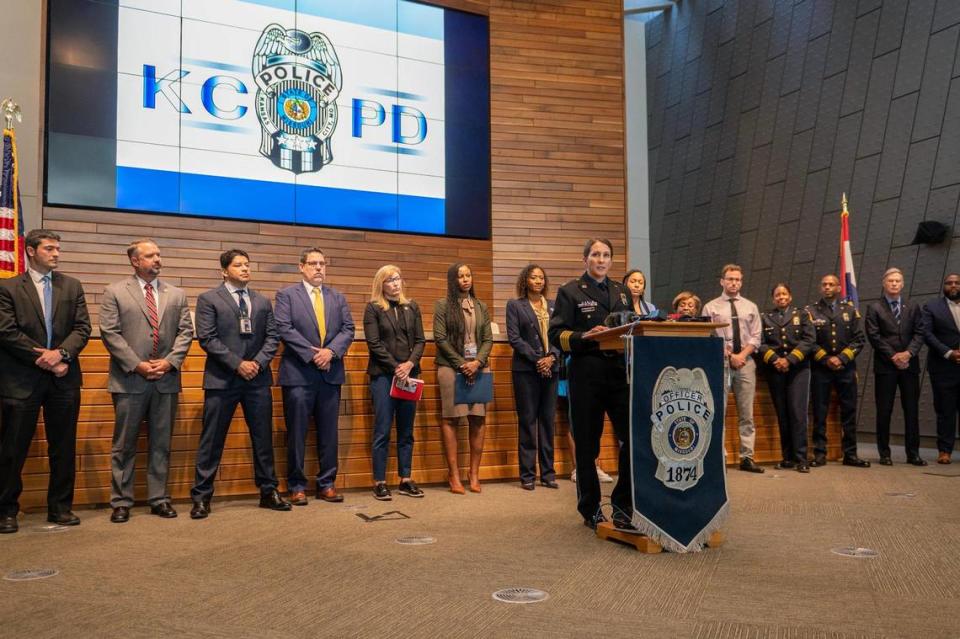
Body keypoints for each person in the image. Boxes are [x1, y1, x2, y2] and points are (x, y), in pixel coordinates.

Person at [0, 230, 91, 534]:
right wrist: (46, 359)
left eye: (58, 249)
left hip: (64, 379)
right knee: (13, 448)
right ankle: (7, 511)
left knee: (63, 447)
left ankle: (60, 508)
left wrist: (62, 355)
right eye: (49, 248)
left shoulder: (72, 286)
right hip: (21, 380)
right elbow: (7, 331)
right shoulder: (8, 287)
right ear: (30, 251)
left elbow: (82, 328)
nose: (56, 254)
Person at [189, 249, 291, 519]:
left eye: (247, 265)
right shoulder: (209, 299)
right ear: (224, 271)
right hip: (222, 380)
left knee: (263, 438)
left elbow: (273, 337)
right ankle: (201, 496)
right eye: (238, 265)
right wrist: (238, 364)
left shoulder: (261, 301)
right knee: (211, 441)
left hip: (257, 379)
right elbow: (207, 338)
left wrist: (256, 363)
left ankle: (269, 491)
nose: (245, 269)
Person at [100, 239, 194, 523]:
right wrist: (137, 365)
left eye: (159, 254)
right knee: (124, 445)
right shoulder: (115, 291)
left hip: (165, 380)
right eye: (150, 255)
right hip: (130, 379)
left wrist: (169, 362)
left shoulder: (176, 294)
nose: (157, 259)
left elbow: (185, 332)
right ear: (135, 261)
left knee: (161, 443)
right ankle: (121, 501)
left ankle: (159, 498)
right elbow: (110, 333)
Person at [548, 238, 634, 530]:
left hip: (620, 375)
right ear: (585, 259)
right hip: (586, 374)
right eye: (596, 254)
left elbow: (632, 326)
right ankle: (591, 508)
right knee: (587, 445)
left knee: (632, 439)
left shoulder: (622, 291)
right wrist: (584, 337)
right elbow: (556, 334)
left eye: (606, 255)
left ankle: (624, 505)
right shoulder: (569, 291)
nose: (601, 260)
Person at [275, 248, 355, 505]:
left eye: (322, 263)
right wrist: (313, 355)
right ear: (301, 267)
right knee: (297, 433)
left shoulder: (337, 297)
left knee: (329, 433)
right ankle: (296, 486)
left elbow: (348, 328)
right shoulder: (287, 295)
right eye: (313, 263)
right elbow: (283, 328)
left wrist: (330, 352)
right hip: (298, 374)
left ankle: (327, 483)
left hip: (330, 374)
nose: (318, 268)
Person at [363, 265, 426, 500]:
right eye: (390, 280)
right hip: (383, 376)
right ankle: (379, 481)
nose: (395, 283)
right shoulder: (373, 309)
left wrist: (409, 364)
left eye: (398, 279)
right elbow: (374, 344)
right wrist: (396, 367)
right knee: (382, 430)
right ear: (381, 284)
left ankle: (405, 479)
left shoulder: (412, 307)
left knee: (406, 430)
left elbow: (420, 340)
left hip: (409, 375)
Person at [434, 262, 493, 494]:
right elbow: (440, 338)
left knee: (477, 418)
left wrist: (477, 362)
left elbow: (487, 339)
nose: (466, 279)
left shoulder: (481, 306)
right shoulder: (442, 305)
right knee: (451, 419)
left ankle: (474, 474)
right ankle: (454, 475)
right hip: (450, 367)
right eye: (460, 276)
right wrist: (462, 364)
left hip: (478, 366)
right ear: (453, 280)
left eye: (469, 275)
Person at [703, 264, 764, 473]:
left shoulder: (751, 307)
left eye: (737, 279)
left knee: (747, 414)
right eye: (730, 279)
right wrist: (729, 356)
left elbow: (756, 337)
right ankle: (720, 457)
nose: (734, 283)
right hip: (721, 364)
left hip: (746, 364)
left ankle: (747, 457)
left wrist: (741, 356)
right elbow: (709, 336)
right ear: (722, 281)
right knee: (719, 411)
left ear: (741, 281)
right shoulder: (711, 307)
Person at [506, 264, 560, 490]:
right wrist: (539, 359)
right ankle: (528, 475)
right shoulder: (515, 305)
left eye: (541, 278)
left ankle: (548, 474)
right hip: (526, 371)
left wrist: (552, 357)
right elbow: (514, 338)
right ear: (525, 281)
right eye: (533, 277)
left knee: (548, 422)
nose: (538, 281)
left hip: (552, 369)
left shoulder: (554, 306)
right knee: (528, 422)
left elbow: (560, 335)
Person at [864, 268, 926, 466]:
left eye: (898, 281)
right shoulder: (874, 308)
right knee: (884, 410)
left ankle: (913, 454)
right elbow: (874, 336)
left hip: (909, 365)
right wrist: (893, 356)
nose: (894, 284)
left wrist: (908, 353)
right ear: (884, 283)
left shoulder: (914, 306)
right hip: (886, 366)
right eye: (890, 280)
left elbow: (920, 332)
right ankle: (885, 453)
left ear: (902, 284)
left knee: (911, 410)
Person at [807, 274, 869, 467]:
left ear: (839, 288)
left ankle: (850, 454)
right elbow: (809, 341)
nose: (827, 287)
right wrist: (827, 359)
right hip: (821, 369)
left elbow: (859, 340)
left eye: (831, 284)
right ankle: (819, 454)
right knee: (819, 412)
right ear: (820, 288)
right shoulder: (811, 311)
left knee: (849, 411)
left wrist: (841, 358)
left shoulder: (850, 311)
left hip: (846, 368)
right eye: (824, 284)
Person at [758, 283, 814, 473]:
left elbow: (809, 340)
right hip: (775, 370)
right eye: (777, 295)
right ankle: (787, 458)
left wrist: (789, 360)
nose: (781, 297)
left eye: (784, 294)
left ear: (790, 296)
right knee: (782, 414)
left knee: (798, 414)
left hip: (798, 369)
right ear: (773, 298)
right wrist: (776, 360)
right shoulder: (765, 317)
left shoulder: (803, 315)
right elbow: (761, 343)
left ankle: (801, 458)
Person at [921, 273, 960, 465]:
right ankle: (945, 451)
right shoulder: (932, 307)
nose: (953, 285)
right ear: (943, 286)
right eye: (949, 283)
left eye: (957, 283)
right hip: (944, 367)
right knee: (946, 411)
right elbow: (927, 333)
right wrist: (948, 352)